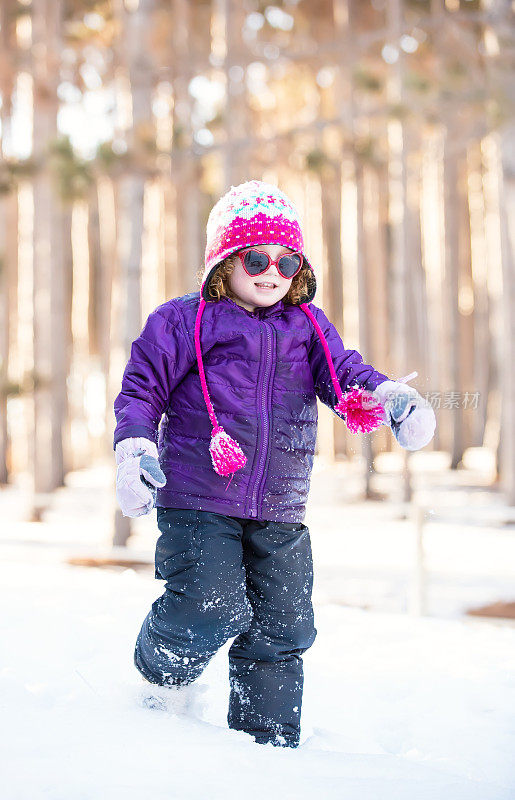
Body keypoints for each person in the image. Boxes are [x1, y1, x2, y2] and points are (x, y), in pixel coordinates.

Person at [113, 179, 436, 748]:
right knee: (211, 600)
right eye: (257, 257)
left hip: (281, 502)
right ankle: (158, 684)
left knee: (283, 624)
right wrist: (135, 447)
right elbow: (142, 389)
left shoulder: (307, 326)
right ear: (224, 260)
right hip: (197, 494)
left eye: (287, 262)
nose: (272, 273)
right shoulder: (183, 321)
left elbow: (347, 374)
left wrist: (391, 398)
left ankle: (269, 744)